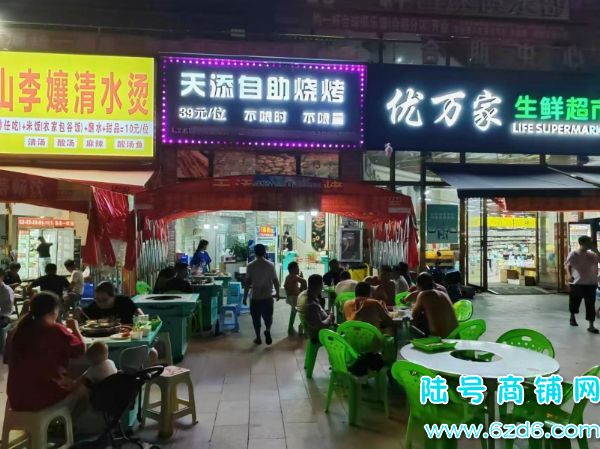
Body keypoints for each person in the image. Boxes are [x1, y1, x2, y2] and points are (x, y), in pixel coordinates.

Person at [7, 292, 85, 411]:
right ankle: (73, 421)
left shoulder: (18, 331)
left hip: (16, 399)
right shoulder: (54, 329)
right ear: (54, 311)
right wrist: (75, 328)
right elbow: (80, 350)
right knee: (86, 386)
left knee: (68, 378)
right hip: (40, 400)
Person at [243, 244, 280, 345]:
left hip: (255, 297)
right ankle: (267, 330)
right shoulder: (270, 265)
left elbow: (247, 283)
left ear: (254, 253)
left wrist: (245, 297)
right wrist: (277, 293)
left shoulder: (250, 265)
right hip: (267, 297)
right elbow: (276, 281)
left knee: (256, 319)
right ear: (265, 252)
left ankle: (258, 338)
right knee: (268, 317)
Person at [565, 235, 599, 333]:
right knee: (575, 302)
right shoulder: (574, 254)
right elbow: (566, 265)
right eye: (589, 242)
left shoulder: (592, 255)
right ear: (583, 243)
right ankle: (572, 316)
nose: (591, 244)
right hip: (577, 283)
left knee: (590, 304)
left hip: (591, 283)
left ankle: (591, 326)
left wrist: (596, 251)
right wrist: (569, 275)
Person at [411, 272, 457, 338]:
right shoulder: (443, 293)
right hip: (455, 336)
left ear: (418, 285)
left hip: (440, 339)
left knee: (413, 326)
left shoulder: (422, 295)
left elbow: (413, 316)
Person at [298, 274, 334, 342]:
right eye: (322, 283)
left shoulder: (303, 294)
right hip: (319, 335)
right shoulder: (311, 305)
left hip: (313, 330)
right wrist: (330, 317)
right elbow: (321, 326)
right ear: (319, 286)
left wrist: (325, 313)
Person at [283, 261, 307, 335]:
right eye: (297, 268)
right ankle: (299, 328)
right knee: (301, 312)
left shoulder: (290, 276)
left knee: (294, 312)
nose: (298, 269)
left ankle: (291, 327)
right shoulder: (293, 276)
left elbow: (295, 287)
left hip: (293, 297)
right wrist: (305, 294)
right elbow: (304, 282)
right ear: (292, 269)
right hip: (294, 298)